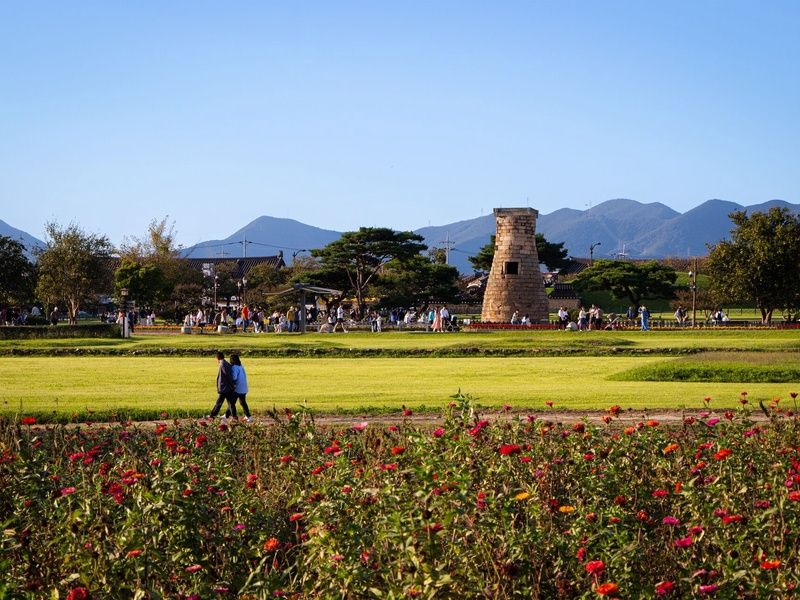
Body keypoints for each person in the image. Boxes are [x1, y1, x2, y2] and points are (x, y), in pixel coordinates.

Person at [206, 351, 237, 419]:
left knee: (220, 403)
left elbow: (228, 376)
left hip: (224, 387)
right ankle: (234, 416)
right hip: (227, 387)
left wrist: (232, 384)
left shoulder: (222, 364)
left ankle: (212, 416)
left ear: (217, 357)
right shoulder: (226, 363)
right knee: (230, 403)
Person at [225, 354, 252, 422]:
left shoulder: (235, 367)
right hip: (244, 387)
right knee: (242, 402)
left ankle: (233, 416)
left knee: (232, 402)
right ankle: (248, 416)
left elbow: (234, 377)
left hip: (238, 388)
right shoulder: (241, 366)